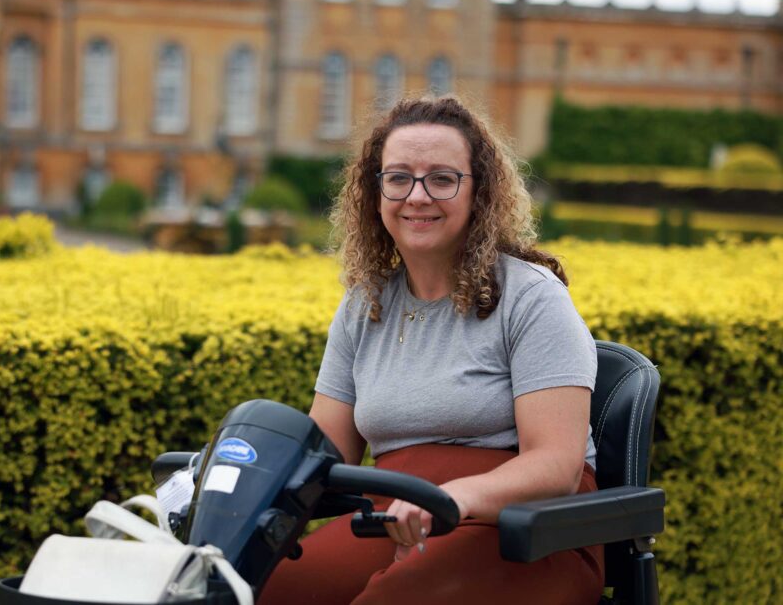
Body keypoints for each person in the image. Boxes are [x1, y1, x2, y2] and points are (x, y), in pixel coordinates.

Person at [258, 96, 603, 604]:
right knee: (265, 591)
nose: (417, 195)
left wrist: (453, 499)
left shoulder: (531, 297)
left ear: (478, 192)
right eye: (398, 178)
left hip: (530, 530)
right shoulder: (364, 304)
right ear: (374, 194)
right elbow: (324, 455)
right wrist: (232, 478)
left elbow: (556, 465)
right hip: (403, 515)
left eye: (442, 178)